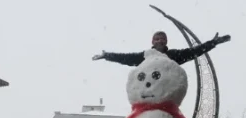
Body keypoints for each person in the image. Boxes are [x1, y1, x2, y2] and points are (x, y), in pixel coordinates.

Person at [91, 31, 229, 67]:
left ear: (166, 41)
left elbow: (194, 51)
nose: (160, 41)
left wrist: (213, 43)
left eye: (162, 38)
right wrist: (107, 55)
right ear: (152, 41)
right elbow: (127, 58)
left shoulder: (174, 56)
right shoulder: (145, 56)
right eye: (157, 39)